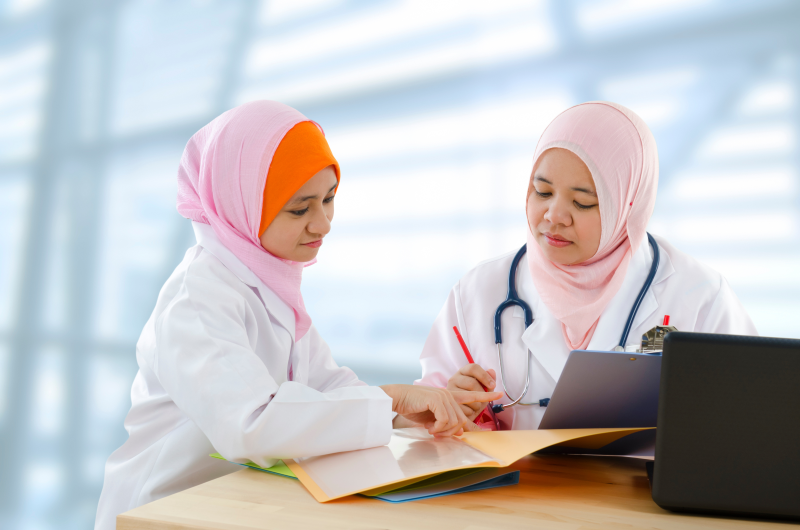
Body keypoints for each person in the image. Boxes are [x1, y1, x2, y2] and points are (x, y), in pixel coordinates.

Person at [94, 101, 501, 529]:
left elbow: (327, 385)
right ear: (241, 204)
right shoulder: (196, 299)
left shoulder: (268, 285)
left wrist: (411, 411)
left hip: (233, 502)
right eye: (300, 209)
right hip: (164, 508)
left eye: (328, 199)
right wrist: (389, 400)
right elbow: (252, 425)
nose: (323, 224)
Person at [415, 101, 757, 431]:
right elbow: (423, 417)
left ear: (627, 206)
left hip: (636, 490)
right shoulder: (479, 291)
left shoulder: (699, 295)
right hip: (513, 489)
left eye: (583, 202)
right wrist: (456, 410)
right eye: (543, 192)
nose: (554, 217)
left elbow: (748, 413)